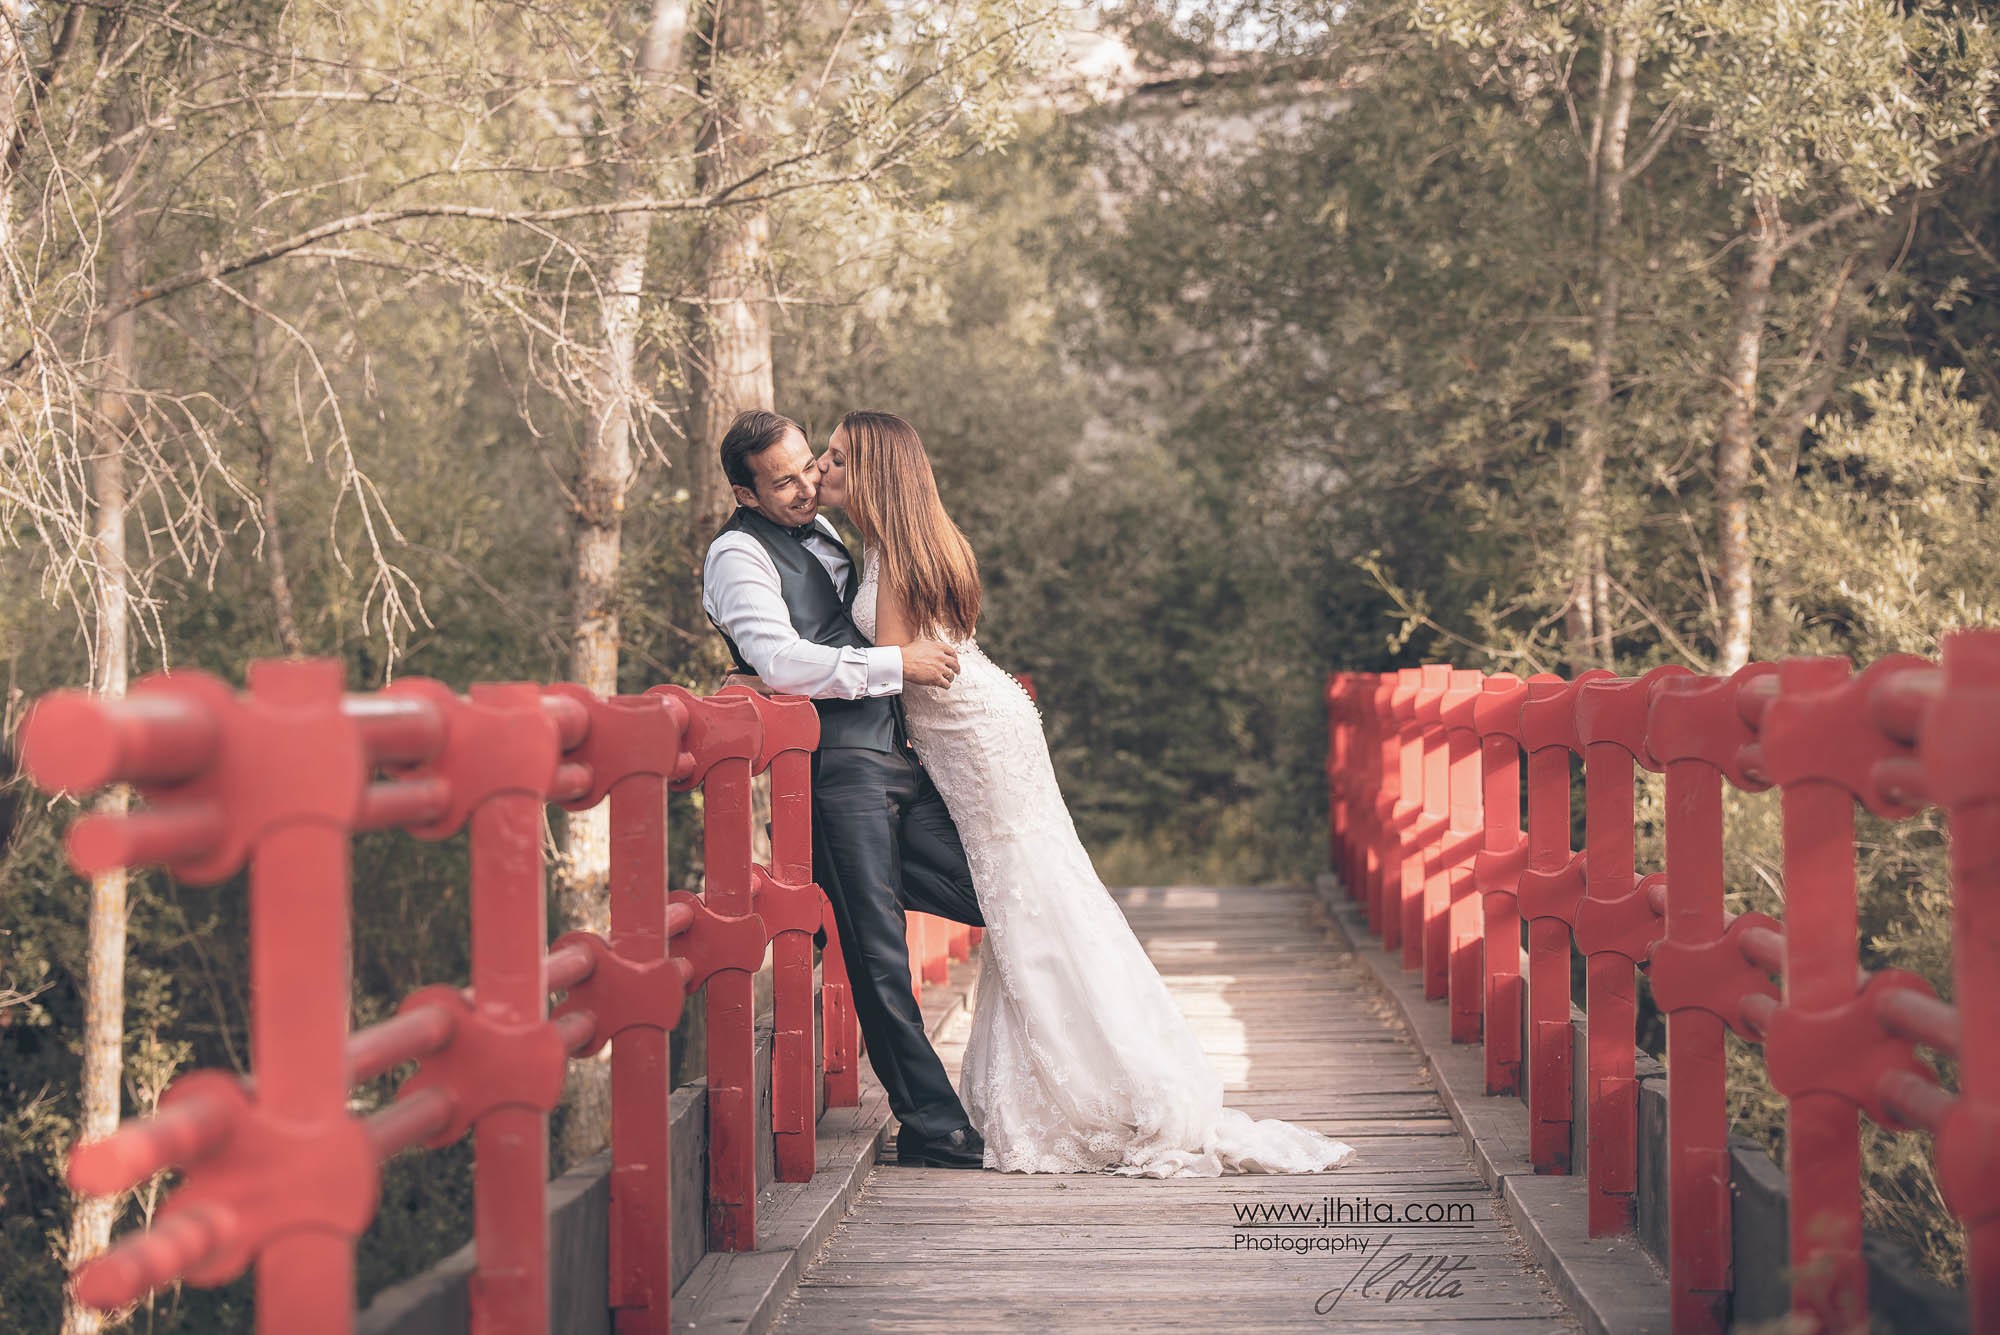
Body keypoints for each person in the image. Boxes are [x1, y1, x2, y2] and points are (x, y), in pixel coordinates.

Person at [813, 409, 1359, 1176]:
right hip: (987, 719)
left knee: (1028, 892)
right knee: (1032, 891)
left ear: (874, 471)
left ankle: (1111, 1085)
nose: (821, 465)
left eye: (837, 456)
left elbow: (890, 669)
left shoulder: (895, 557)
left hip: (973, 733)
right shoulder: (900, 542)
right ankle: (1061, 1079)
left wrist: (780, 674)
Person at [700, 409, 987, 1170]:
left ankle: (855, 894)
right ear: (745, 493)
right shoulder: (737, 554)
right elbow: (783, 659)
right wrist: (897, 667)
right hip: (832, 773)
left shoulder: (826, 530)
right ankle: (936, 1127)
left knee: (991, 887)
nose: (806, 487)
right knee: (878, 951)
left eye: (809, 466)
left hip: (894, 751)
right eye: (783, 481)